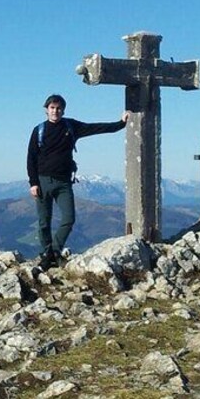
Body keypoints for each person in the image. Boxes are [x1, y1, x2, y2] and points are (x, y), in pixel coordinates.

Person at [27, 94, 129, 270]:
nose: (55, 111)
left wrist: (120, 123)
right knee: (44, 221)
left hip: (64, 182)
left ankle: (53, 252)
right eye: (52, 108)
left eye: (58, 108)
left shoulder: (70, 126)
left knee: (69, 218)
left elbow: (95, 128)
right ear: (46, 110)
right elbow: (31, 158)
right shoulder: (39, 130)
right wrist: (33, 183)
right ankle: (48, 253)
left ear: (63, 110)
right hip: (43, 182)